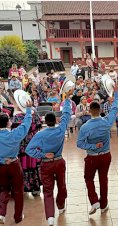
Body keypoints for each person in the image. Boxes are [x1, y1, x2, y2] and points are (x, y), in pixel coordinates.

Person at [25, 91, 72, 226]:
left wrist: (43, 155)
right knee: (61, 186)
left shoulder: (40, 134)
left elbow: (29, 150)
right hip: (59, 162)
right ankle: (61, 206)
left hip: (46, 164)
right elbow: (67, 115)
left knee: (47, 190)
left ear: (45, 121)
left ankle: (50, 217)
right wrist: (67, 99)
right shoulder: (61, 129)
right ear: (55, 120)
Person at [76, 84, 118, 215]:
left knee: (89, 179)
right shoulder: (106, 122)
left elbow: (79, 144)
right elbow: (115, 108)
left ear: (89, 111)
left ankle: (94, 201)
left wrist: (93, 147)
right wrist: (116, 94)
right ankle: (104, 204)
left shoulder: (85, 127)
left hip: (92, 157)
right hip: (106, 155)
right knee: (103, 179)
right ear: (100, 110)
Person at [0, 100, 32, 224]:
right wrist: (28, 109)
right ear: (8, 123)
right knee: (18, 191)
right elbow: (26, 124)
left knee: (3, 189)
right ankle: (18, 217)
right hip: (13, 164)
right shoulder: (14, 134)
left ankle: (1, 214)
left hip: (1, 166)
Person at [12, 102, 42, 196]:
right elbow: (38, 128)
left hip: (22, 144)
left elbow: (16, 132)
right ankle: (35, 188)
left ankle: (25, 187)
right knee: (33, 163)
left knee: (24, 164)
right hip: (33, 142)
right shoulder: (35, 114)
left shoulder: (18, 117)